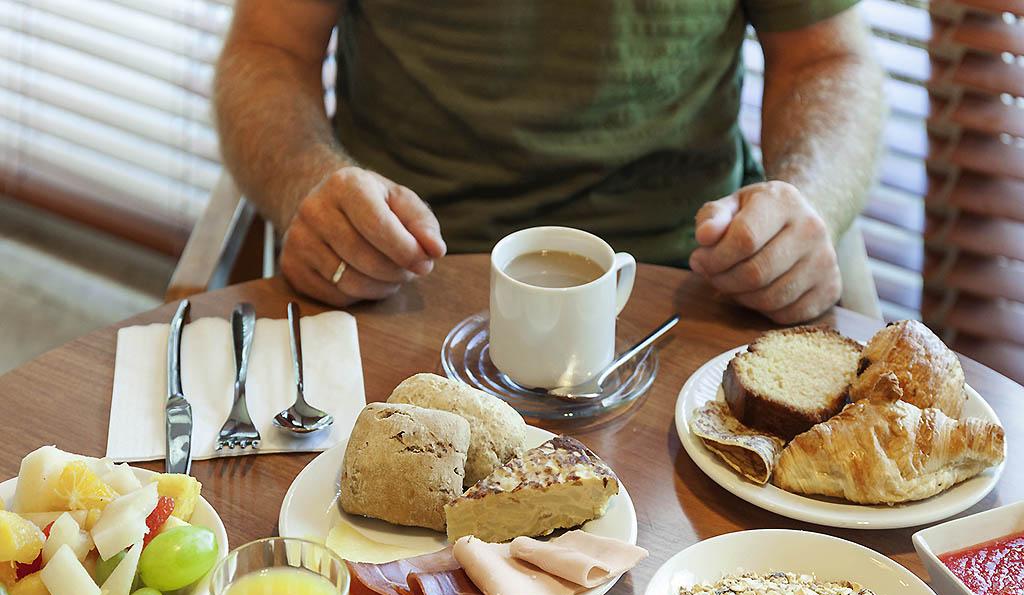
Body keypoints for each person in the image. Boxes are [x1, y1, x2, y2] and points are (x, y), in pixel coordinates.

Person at [214, 1, 884, 324]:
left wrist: (809, 202)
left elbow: (827, 58)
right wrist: (307, 182)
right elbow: (268, 50)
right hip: (395, 291)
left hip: (691, 297)